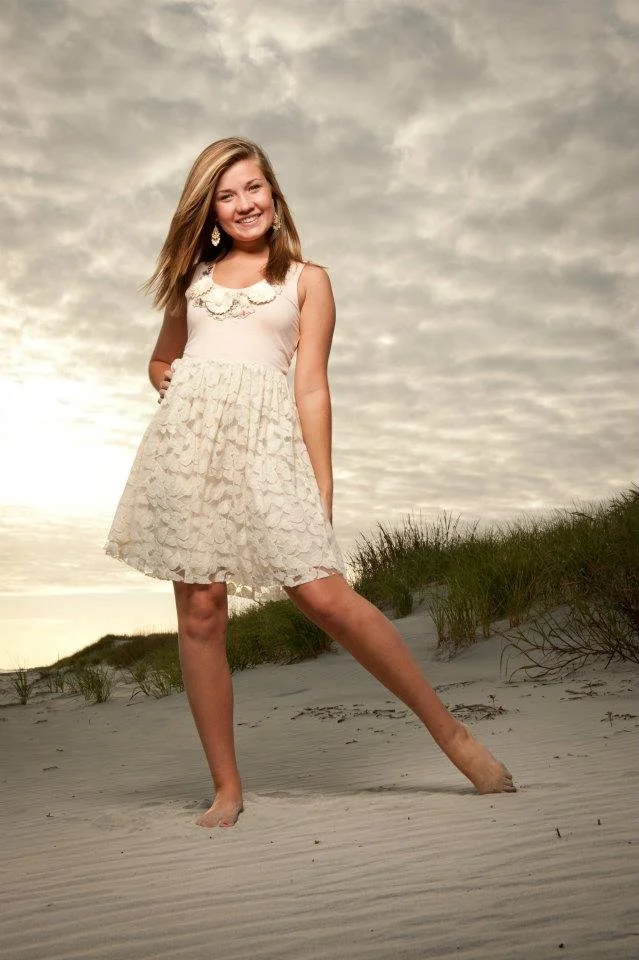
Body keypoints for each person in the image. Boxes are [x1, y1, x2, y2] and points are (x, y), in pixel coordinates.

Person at [104, 136, 516, 829]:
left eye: (253, 186)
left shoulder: (305, 279)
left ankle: (453, 736)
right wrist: (172, 382)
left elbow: (312, 389)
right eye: (227, 193)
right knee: (201, 611)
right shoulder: (193, 281)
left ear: (274, 193)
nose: (244, 203)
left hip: (268, 449)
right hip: (190, 454)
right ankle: (227, 789)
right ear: (208, 208)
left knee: (326, 597)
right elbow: (160, 361)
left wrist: (320, 485)